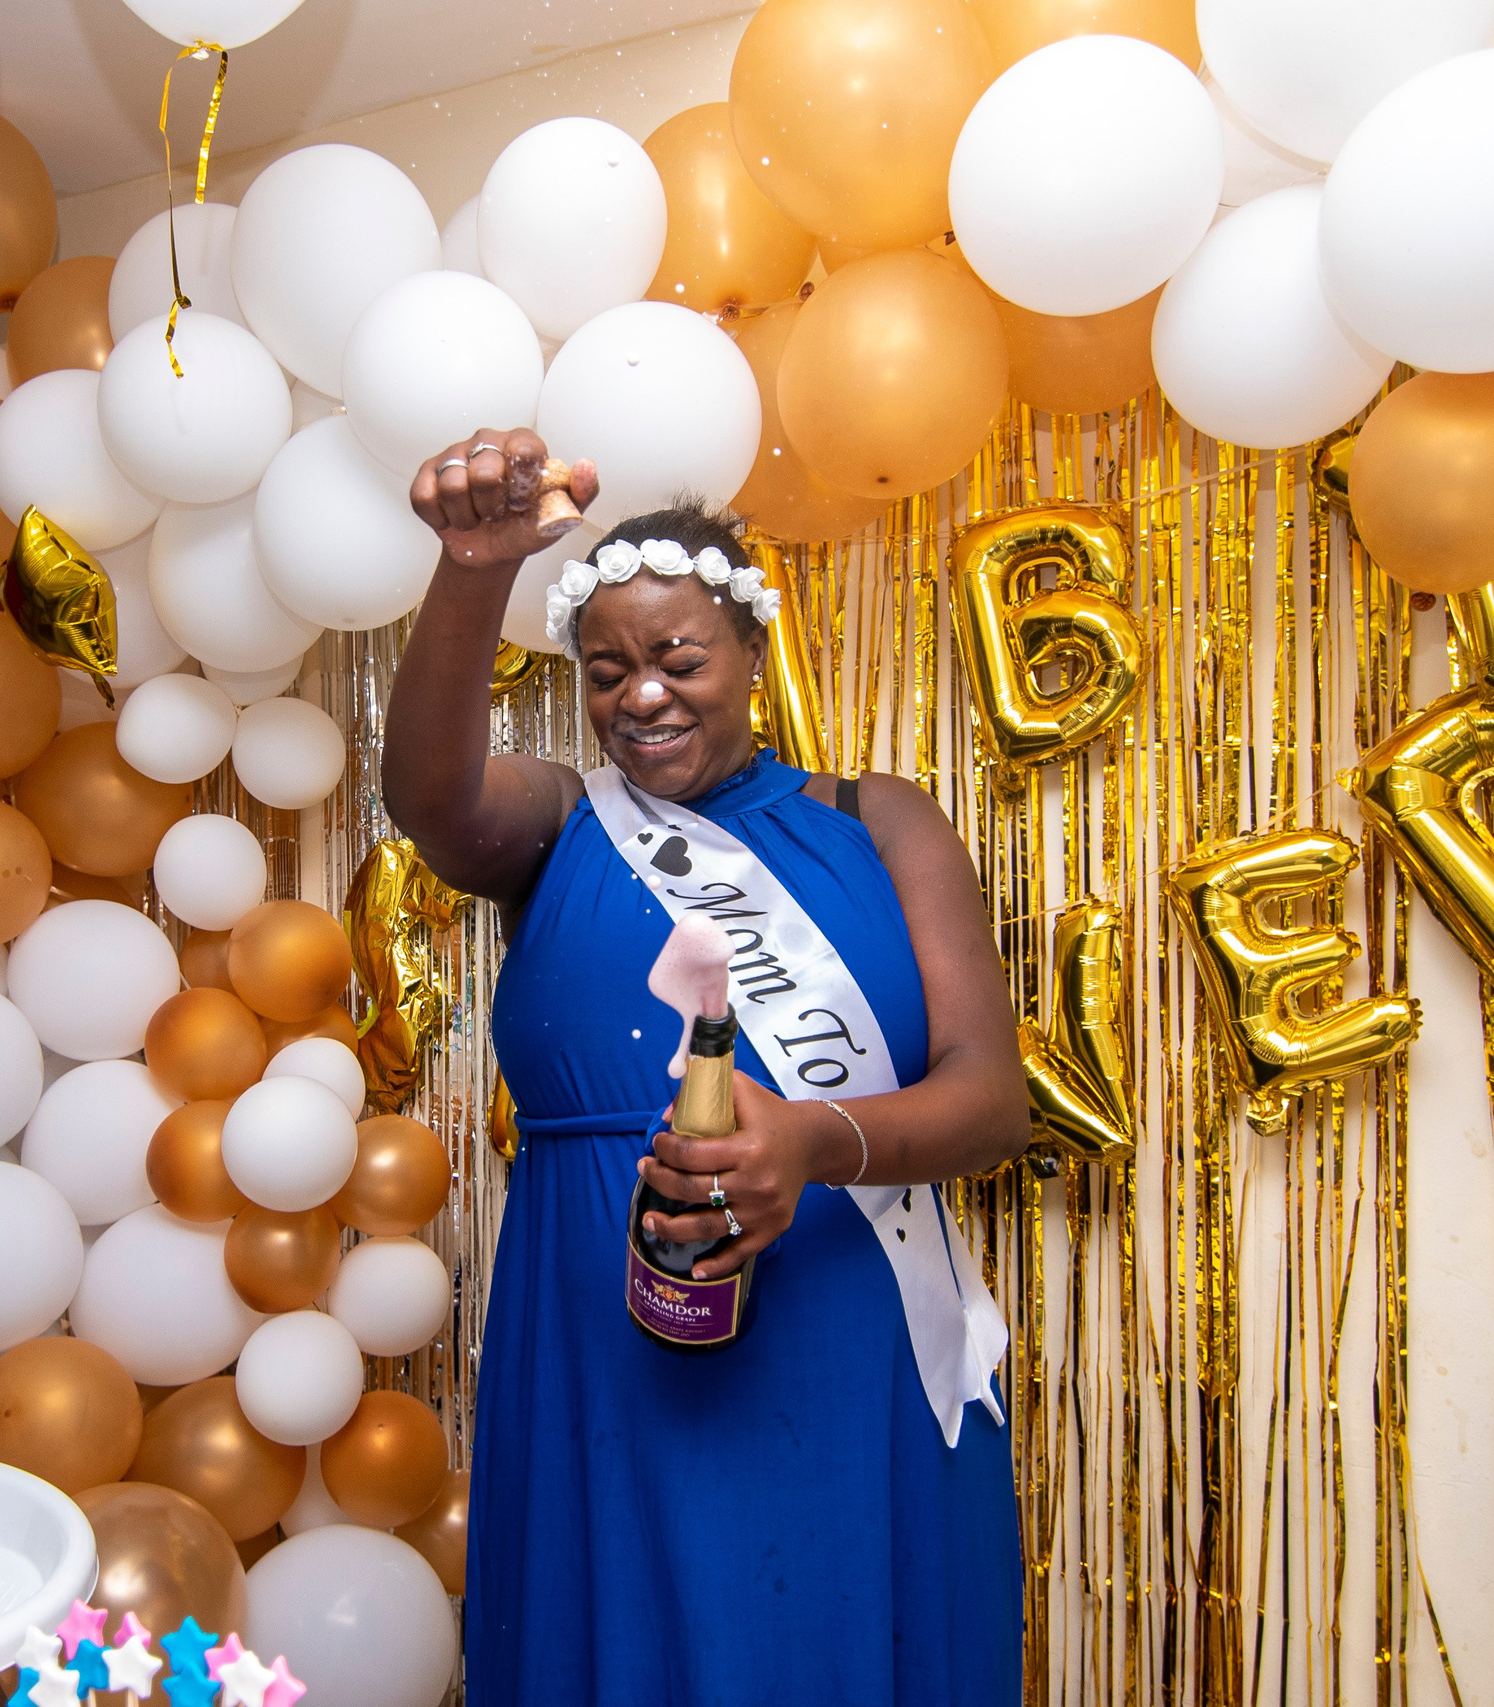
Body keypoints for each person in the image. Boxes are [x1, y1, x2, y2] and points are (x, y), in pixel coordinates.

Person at [383, 428, 1030, 1706]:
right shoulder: (558, 826)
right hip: (594, 1326)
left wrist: (808, 1143)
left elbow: (988, 1099)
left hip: (842, 1310)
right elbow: (427, 797)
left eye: (679, 659)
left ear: (749, 652)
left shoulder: (875, 818)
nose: (643, 697)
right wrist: (470, 568)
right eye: (608, 669)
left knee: (821, 1633)